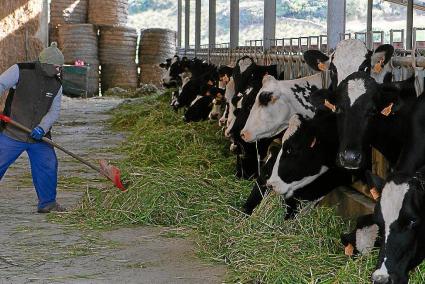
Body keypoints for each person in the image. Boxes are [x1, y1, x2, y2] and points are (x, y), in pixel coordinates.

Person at [0, 42, 65, 213]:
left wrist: (42, 128)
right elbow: (0, 84)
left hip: (39, 136)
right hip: (12, 132)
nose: (59, 71)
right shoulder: (20, 70)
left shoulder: (57, 84)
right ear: (46, 64)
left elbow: (54, 111)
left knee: (48, 164)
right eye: (57, 67)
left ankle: (47, 203)